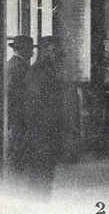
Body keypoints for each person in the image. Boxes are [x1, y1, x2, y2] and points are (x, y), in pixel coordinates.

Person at [17, 36, 65, 199]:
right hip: (41, 131)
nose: (55, 55)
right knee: (40, 174)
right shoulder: (38, 72)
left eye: (56, 51)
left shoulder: (48, 70)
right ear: (44, 52)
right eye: (52, 51)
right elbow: (35, 104)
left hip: (47, 130)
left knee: (45, 173)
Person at [5, 35, 34, 170]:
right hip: (19, 113)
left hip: (15, 113)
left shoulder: (11, 64)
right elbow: (13, 93)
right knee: (18, 145)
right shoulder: (19, 67)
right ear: (23, 49)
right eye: (30, 49)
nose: (32, 53)